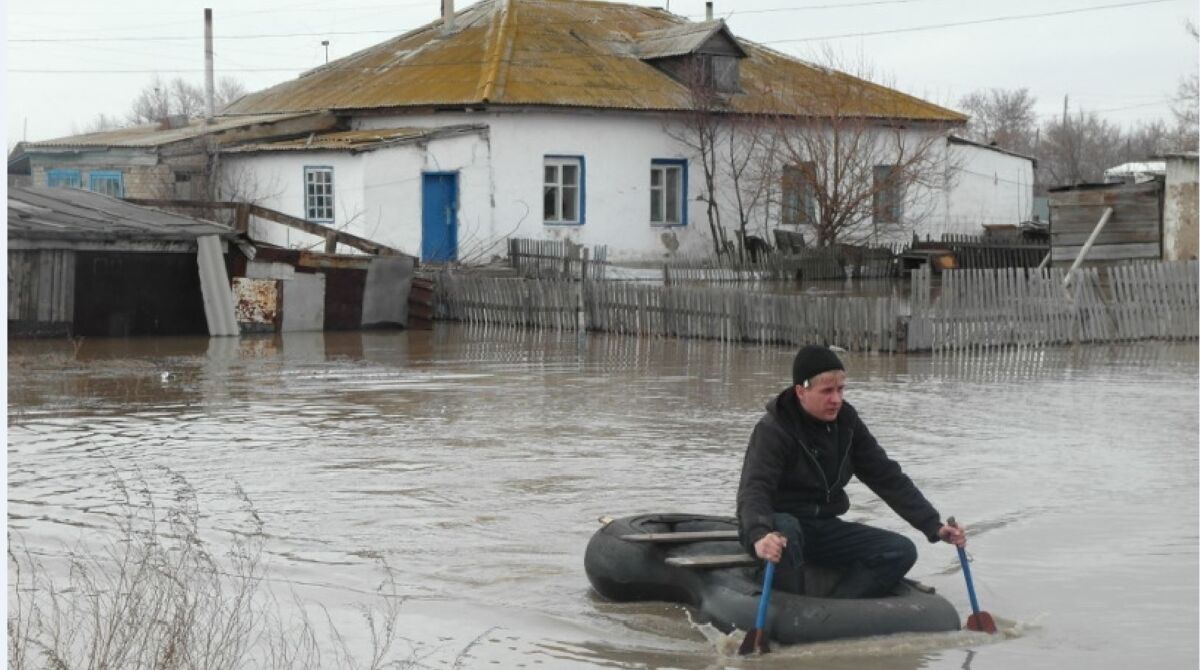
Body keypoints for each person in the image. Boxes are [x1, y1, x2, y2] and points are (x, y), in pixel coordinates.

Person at [736, 344, 966, 598]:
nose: (836, 399)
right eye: (827, 391)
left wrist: (933, 525)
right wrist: (759, 535)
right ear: (801, 392)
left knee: (902, 550)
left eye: (840, 389)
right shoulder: (773, 430)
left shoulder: (847, 423)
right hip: (778, 526)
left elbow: (886, 476)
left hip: (823, 527)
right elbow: (754, 489)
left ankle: (839, 604)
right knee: (787, 529)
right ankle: (781, 594)